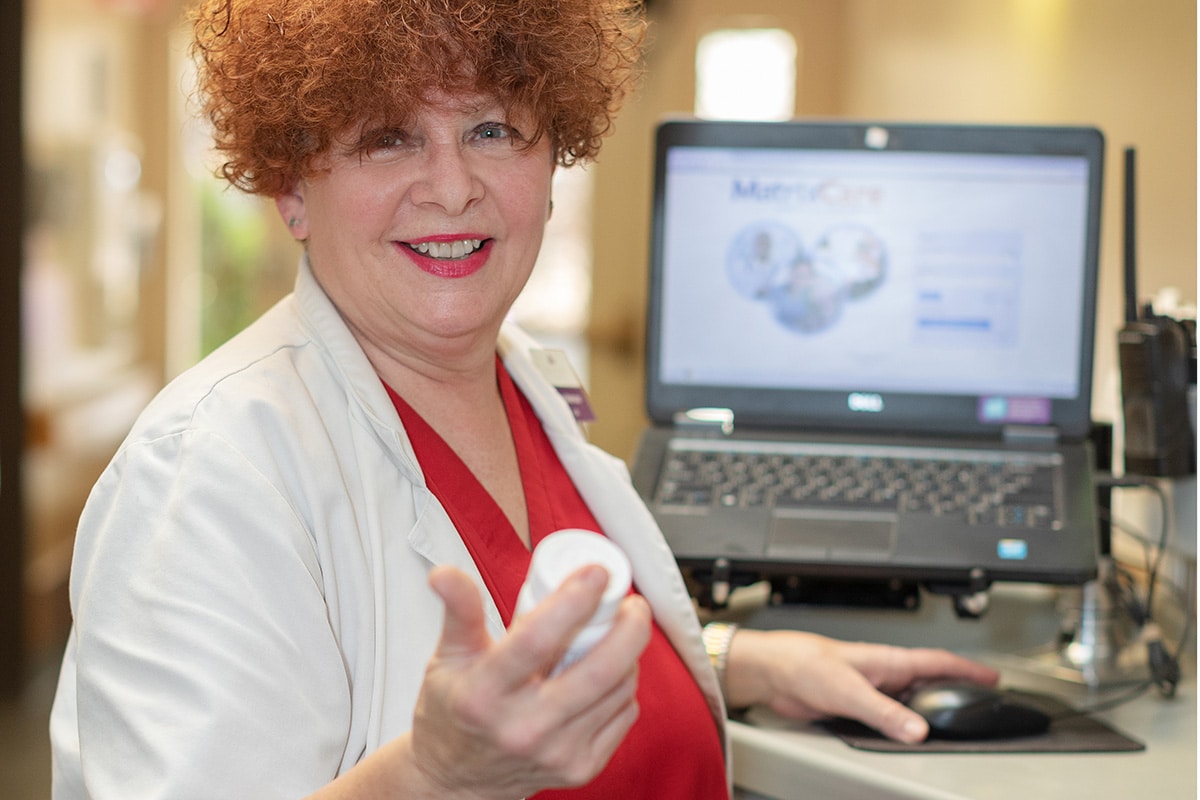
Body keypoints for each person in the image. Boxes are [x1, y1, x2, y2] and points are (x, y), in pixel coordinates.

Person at [48, 0, 999, 798]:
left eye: (492, 129)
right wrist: (433, 774)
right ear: (294, 188)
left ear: (554, 162)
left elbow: (529, 632)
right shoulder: (208, 471)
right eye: (389, 138)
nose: (453, 189)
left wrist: (733, 659)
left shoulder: (530, 384)